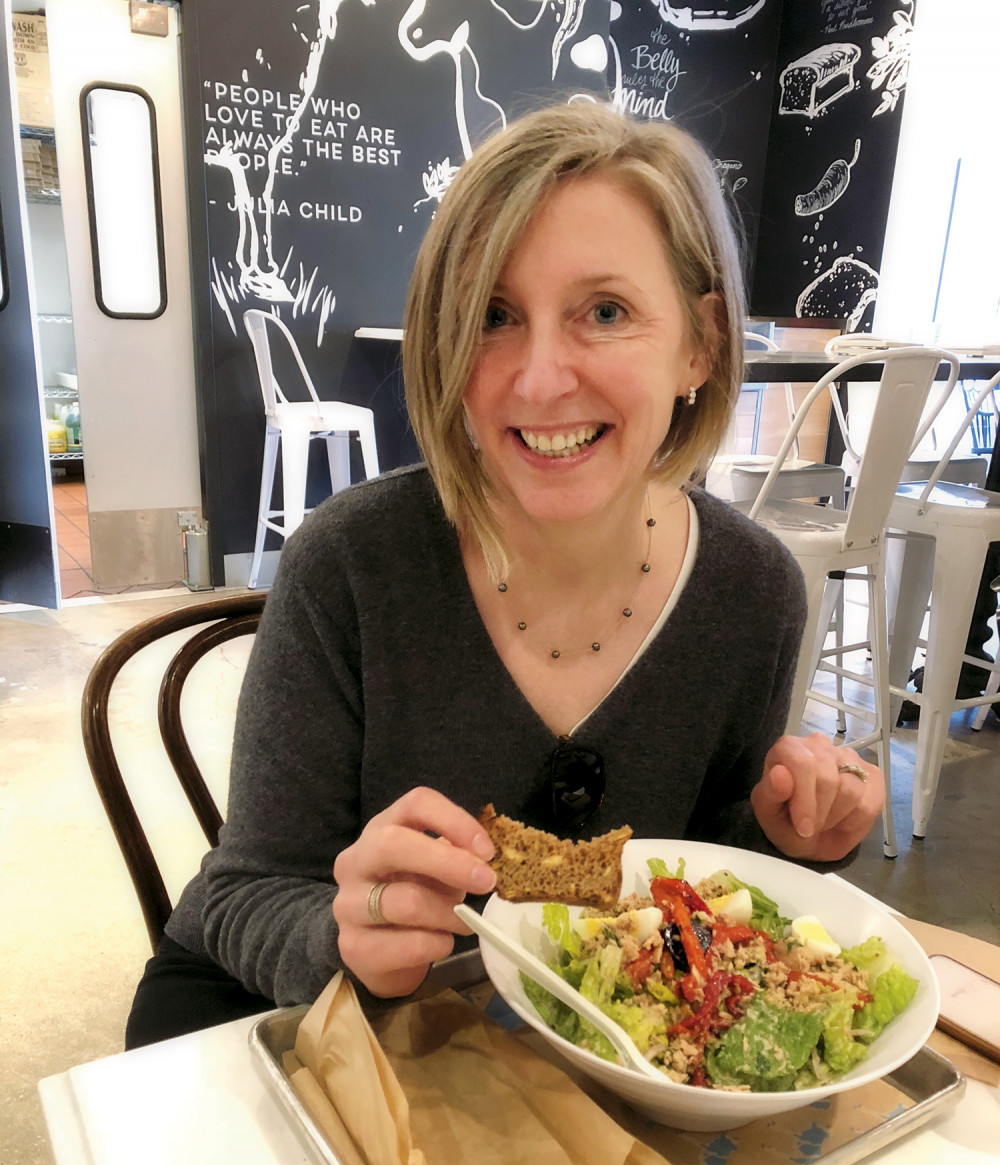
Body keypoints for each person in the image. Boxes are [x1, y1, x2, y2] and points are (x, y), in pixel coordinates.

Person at [125, 102, 885, 1048]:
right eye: (492, 316)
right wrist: (341, 934)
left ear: (699, 342)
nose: (536, 381)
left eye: (604, 312)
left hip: (557, 1063)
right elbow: (242, 898)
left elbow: (700, 882)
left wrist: (787, 836)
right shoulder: (353, 564)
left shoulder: (751, 591)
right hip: (290, 1026)